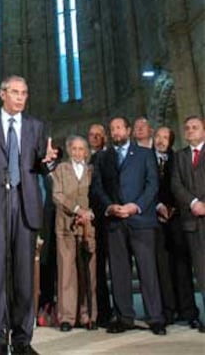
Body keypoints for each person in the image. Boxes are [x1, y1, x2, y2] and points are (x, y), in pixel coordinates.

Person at [0, 75, 58, 355]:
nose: (20, 97)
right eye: (15, 92)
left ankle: (22, 339)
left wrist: (50, 161)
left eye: (24, 93)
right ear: (2, 94)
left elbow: (42, 165)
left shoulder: (36, 126)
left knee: (23, 276)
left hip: (26, 201)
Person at [91, 116, 166, 335]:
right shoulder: (104, 158)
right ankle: (124, 317)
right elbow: (98, 187)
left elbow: (152, 184)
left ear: (128, 130)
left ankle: (155, 317)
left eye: (119, 128)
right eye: (112, 129)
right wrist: (110, 207)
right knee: (119, 271)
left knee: (147, 270)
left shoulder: (144, 154)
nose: (115, 132)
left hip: (140, 220)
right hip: (115, 221)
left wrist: (137, 206)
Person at [153, 126, 199, 326]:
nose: (161, 140)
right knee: (162, 267)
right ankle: (168, 311)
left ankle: (188, 311)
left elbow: (182, 184)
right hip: (156, 219)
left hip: (179, 218)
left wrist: (173, 207)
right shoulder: (145, 158)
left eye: (166, 137)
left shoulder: (179, 157)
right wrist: (159, 206)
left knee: (182, 266)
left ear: (171, 141)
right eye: (159, 136)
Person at [52, 135, 97, 332]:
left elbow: (96, 195)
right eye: (74, 149)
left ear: (86, 152)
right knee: (67, 272)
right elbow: (57, 195)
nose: (78, 152)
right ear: (69, 150)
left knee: (89, 272)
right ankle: (67, 317)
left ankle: (88, 315)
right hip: (66, 226)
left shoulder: (91, 171)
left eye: (81, 149)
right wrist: (78, 210)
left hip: (88, 227)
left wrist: (89, 214)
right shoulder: (61, 169)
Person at [171, 116, 205, 333]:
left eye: (195, 127)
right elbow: (176, 184)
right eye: (188, 128)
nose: (191, 131)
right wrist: (193, 202)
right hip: (192, 222)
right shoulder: (180, 156)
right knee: (202, 272)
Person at [87, 122, 111, 326]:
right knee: (98, 267)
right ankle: (102, 311)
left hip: (111, 216)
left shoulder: (110, 156)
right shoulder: (87, 159)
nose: (94, 137)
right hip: (95, 220)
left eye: (98, 134)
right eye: (91, 135)